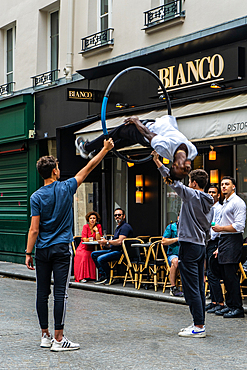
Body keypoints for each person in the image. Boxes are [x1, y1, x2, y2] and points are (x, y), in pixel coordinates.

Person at [25, 138, 114, 352]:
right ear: (55, 171)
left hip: (42, 250)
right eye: (58, 167)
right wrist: (104, 149)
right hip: (62, 249)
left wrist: (28, 252)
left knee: (41, 292)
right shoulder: (66, 188)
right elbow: (89, 167)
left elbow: (34, 229)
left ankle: (45, 335)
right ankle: (59, 338)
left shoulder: (36, 196)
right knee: (60, 293)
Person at [153, 151, 213, 338]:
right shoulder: (209, 202)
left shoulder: (192, 195)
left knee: (191, 287)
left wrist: (157, 162)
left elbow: (173, 182)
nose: (188, 184)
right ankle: (198, 323)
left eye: (190, 181)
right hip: (201, 246)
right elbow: (208, 228)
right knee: (198, 286)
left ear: (194, 183)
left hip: (189, 245)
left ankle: (199, 326)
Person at [75, 115, 197, 181]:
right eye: (187, 170)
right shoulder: (192, 152)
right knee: (122, 142)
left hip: (145, 131)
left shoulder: (164, 147)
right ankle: (97, 152)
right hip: (155, 127)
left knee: (117, 133)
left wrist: (136, 121)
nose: (188, 168)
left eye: (183, 169)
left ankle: (86, 148)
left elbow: (147, 133)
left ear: (174, 164)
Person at [212, 176, 246, 318]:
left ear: (234, 187)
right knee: (225, 274)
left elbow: (239, 226)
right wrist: (220, 245)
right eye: (222, 184)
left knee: (231, 275)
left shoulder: (238, 203)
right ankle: (230, 305)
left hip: (233, 238)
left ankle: (238, 308)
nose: (224, 186)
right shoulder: (225, 202)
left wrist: (221, 229)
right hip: (225, 239)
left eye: (227, 184)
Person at [91, 208, 133, 285]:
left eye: (119, 215)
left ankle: (109, 277)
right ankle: (103, 275)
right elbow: (113, 242)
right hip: (113, 250)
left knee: (100, 259)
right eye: (115, 215)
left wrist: (107, 241)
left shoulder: (125, 227)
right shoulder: (118, 227)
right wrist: (105, 243)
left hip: (121, 252)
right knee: (94, 254)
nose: (117, 216)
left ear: (124, 216)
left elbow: (120, 242)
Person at [205, 186, 224, 313]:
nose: (211, 194)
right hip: (207, 242)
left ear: (218, 195)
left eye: (214, 192)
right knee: (209, 273)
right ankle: (213, 301)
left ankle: (220, 302)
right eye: (209, 192)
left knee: (213, 273)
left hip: (215, 242)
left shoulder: (219, 209)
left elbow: (216, 227)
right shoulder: (208, 208)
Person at [74, 211, 103, 283]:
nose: (92, 220)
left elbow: (99, 239)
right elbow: (84, 238)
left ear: (96, 220)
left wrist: (96, 231)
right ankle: (83, 276)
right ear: (88, 219)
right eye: (91, 218)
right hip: (83, 247)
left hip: (93, 247)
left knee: (94, 254)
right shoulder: (85, 227)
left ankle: (95, 276)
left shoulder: (98, 226)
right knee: (85, 255)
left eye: (94, 218)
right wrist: (92, 239)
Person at [161, 215, 184, 297]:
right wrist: (177, 239)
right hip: (173, 254)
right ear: (178, 217)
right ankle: (173, 287)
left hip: (186, 254)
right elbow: (163, 241)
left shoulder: (189, 228)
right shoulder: (171, 227)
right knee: (175, 261)